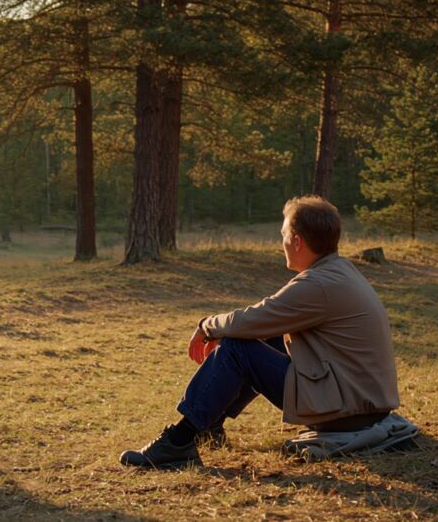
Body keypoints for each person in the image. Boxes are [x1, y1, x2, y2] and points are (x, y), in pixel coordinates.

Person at [119, 196, 401, 469]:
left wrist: (206, 325)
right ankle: (210, 425)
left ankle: (179, 442)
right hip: (362, 405)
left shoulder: (318, 284)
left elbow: (252, 319)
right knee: (264, 338)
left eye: (283, 234)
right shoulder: (340, 271)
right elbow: (263, 323)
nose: (282, 242)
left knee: (237, 349)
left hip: (348, 410)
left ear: (296, 241)